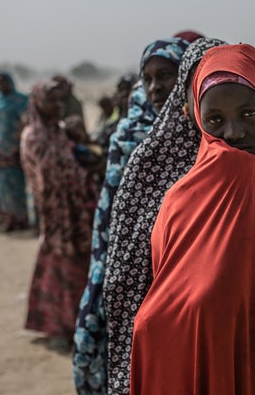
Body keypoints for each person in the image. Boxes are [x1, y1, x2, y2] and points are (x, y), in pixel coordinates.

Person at [130, 43, 255, 394]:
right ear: (197, 120)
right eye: (215, 120)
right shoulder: (182, 204)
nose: (234, 133)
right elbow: (163, 314)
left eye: (249, 114)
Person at [72, 37, 222, 394]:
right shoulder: (128, 137)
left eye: (165, 76)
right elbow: (112, 214)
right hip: (134, 266)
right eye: (148, 78)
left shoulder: (210, 135)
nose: (155, 87)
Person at [21, 81, 94, 351]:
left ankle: (75, 323)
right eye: (51, 100)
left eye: (59, 100)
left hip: (76, 213)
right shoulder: (34, 136)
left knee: (76, 270)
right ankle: (58, 327)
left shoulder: (60, 132)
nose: (57, 105)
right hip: (57, 216)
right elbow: (46, 180)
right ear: (38, 102)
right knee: (59, 270)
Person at [0, 72, 29, 232]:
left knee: (17, 184)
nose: (1, 85)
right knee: (2, 186)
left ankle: (22, 219)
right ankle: (8, 219)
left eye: (4, 81)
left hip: (15, 149)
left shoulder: (21, 100)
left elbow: (25, 122)